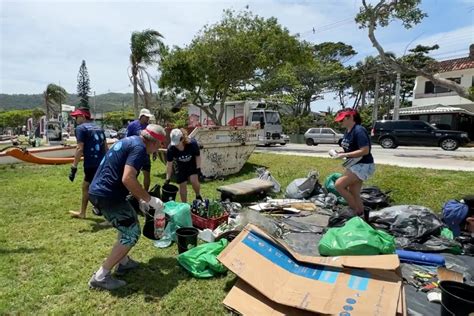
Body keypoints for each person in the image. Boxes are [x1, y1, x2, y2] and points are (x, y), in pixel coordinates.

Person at [88, 124, 166, 290]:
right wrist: (150, 200)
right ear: (153, 142)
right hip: (107, 195)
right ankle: (100, 276)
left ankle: (123, 262)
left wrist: (140, 199)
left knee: (127, 221)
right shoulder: (139, 148)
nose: (159, 148)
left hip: (101, 191)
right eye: (160, 144)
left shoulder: (130, 141)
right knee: (131, 232)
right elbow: (128, 178)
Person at [333, 109, 375, 216]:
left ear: (350, 117)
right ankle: (361, 214)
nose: (340, 122)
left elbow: (365, 150)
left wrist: (345, 155)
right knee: (354, 192)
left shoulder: (359, 130)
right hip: (354, 164)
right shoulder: (348, 131)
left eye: (342, 120)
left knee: (339, 185)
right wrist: (340, 152)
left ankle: (355, 211)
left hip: (363, 165)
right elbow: (351, 148)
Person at [68, 108, 108, 219]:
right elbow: (105, 146)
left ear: (83, 116)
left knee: (89, 188)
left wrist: (74, 167)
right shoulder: (98, 127)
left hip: (91, 164)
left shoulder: (81, 128)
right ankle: (84, 212)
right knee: (91, 186)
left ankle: (99, 209)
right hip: (102, 162)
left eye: (77, 116)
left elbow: (79, 149)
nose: (75, 119)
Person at [165, 128, 202, 203]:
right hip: (180, 165)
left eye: (177, 143)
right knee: (182, 184)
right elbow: (169, 164)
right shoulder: (171, 148)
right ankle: (184, 205)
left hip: (191, 163)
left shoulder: (192, 143)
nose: (176, 145)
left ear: (182, 139)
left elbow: (197, 156)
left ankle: (198, 195)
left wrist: (198, 170)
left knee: (194, 180)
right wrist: (167, 178)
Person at [126, 108, 154, 191]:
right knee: (133, 174)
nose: (148, 119)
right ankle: (132, 191)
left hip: (146, 153)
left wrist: (154, 151)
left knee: (147, 173)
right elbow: (128, 139)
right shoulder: (132, 125)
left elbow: (152, 140)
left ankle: (146, 192)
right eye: (146, 117)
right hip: (135, 154)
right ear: (141, 116)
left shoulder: (149, 127)